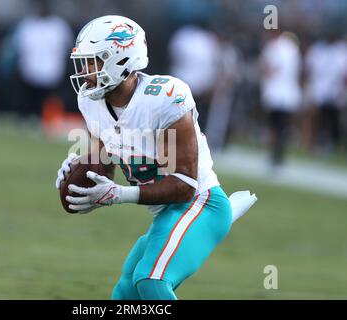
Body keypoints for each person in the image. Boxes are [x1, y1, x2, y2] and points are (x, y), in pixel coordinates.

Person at [55, 15, 256, 300]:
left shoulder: (165, 97)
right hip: (167, 214)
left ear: (122, 59)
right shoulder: (90, 101)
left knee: (151, 281)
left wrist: (119, 194)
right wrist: (81, 171)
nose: (86, 71)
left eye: (94, 61)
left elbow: (185, 184)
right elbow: (104, 159)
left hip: (200, 204)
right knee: (125, 294)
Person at [259, 31, 302, 169]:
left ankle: (274, 156)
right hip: (289, 93)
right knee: (282, 128)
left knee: (274, 127)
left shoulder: (273, 47)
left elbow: (269, 68)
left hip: (275, 93)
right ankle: (278, 156)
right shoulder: (294, 49)